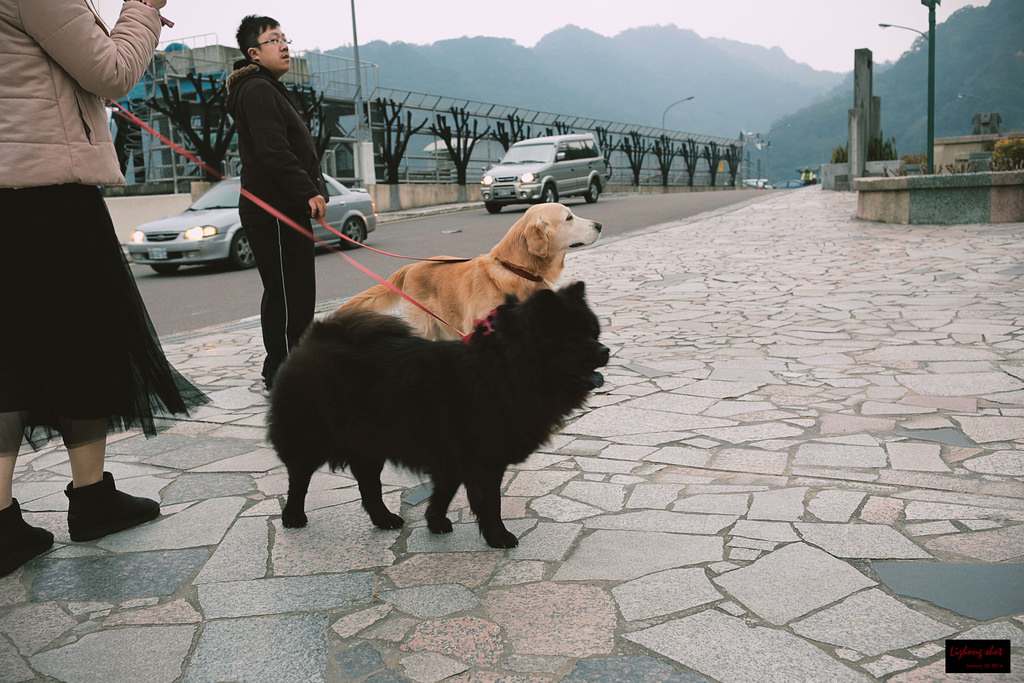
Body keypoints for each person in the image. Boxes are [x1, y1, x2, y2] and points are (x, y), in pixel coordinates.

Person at [0, 0, 208, 577]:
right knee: (86, 343)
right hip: (47, 194)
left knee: (8, 356)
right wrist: (142, 9)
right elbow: (111, 72)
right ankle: (91, 499)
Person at [227, 15, 327, 390]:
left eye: (285, 38)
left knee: (290, 293)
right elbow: (274, 151)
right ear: (254, 52)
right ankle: (288, 376)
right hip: (275, 211)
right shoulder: (258, 90)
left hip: (281, 209)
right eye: (274, 40)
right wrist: (308, 191)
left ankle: (284, 369)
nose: (285, 45)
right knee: (290, 296)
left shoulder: (264, 88)